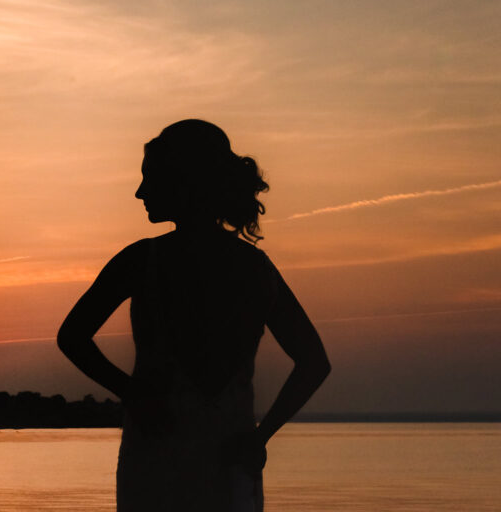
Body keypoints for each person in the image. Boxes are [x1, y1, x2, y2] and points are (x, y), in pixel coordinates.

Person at [57, 119, 331, 511]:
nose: (139, 192)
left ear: (182, 181)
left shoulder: (140, 261)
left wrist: (133, 394)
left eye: (149, 178)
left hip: (157, 462)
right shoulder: (256, 268)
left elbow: (72, 337)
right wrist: (260, 436)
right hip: (231, 463)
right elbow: (313, 362)